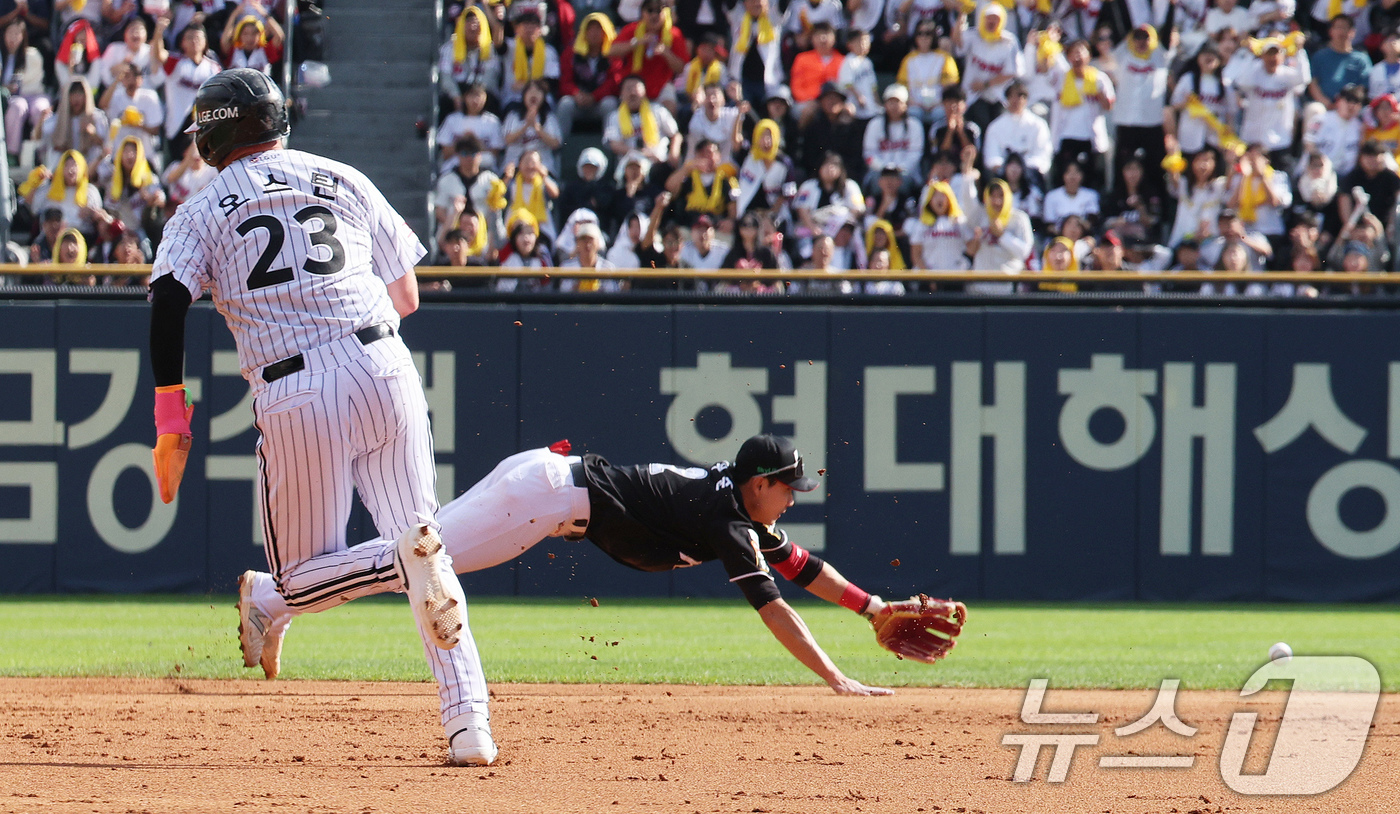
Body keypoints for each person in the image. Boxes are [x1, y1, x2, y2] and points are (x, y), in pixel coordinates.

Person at [147, 69, 492, 768]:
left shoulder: (203, 208)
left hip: (294, 385)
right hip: (385, 362)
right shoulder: (341, 175)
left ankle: (285, 597)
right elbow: (408, 296)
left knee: (304, 576)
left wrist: (170, 419)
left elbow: (166, 300)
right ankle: (470, 730)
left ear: (216, 131)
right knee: (428, 549)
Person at [239, 435, 921, 703]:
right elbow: (777, 606)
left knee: (413, 564)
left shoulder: (738, 509)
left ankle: (277, 601)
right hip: (543, 498)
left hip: (544, 488)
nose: (790, 503)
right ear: (760, 482)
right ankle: (274, 595)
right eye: (787, 489)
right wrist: (836, 678)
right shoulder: (730, 521)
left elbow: (804, 568)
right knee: (416, 565)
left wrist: (871, 608)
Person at [966, 178, 1033, 293]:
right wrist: (977, 239)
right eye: (992, 196)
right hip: (981, 287)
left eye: (1001, 196)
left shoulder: (1019, 218)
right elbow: (970, 252)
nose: (997, 201)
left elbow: (1024, 252)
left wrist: (1002, 235)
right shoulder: (980, 216)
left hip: (1009, 285)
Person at [982, 80, 1052, 178]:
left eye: (1021, 96)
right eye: (1012, 96)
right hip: (1003, 176)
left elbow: (1042, 155)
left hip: (1031, 176)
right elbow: (991, 157)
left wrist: (1022, 168)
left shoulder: (1038, 125)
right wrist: (1008, 168)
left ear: (1026, 99)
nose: (1016, 100)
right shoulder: (995, 126)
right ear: (1006, 99)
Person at [898, 20, 959, 128]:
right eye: (920, 33)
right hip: (915, 104)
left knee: (940, 113)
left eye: (928, 34)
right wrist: (913, 102)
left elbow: (950, 87)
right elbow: (902, 88)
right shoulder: (908, 59)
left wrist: (939, 103)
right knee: (913, 113)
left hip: (938, 104)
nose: (923, 37)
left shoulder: (944, 57)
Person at [1308, 15, 1370, 107]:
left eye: (1344, 27)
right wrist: (1327, 103)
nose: (1341, 31)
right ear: (1330, 31)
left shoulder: (1361, 59)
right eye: (1338, 27)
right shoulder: (1320, 56)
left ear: (1352, 32)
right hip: (1324, 106)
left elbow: (1364, 87)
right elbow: (1313, 83)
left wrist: (1348, 104)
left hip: (1352, 107)